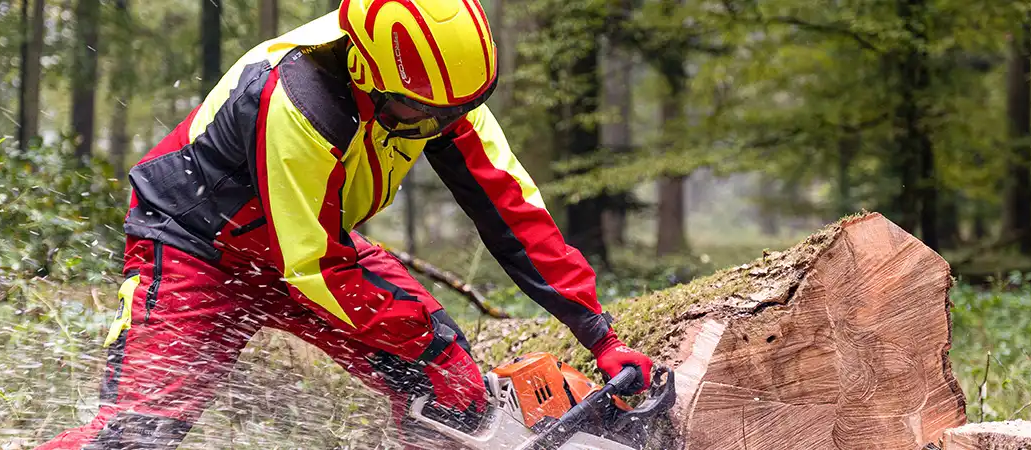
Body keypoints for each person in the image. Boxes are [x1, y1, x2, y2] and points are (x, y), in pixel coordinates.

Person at [39, 0, 654, 447]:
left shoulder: (437, 93)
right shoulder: (299, 98)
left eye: (455, 112)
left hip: (308, 240)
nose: (438, 127)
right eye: (422, 114)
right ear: (368, 73)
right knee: (135, 437)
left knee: (451, 390)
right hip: (199, 247)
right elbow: (311, 264)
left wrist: (598, 332)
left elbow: (512, 210)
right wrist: (423, 335)